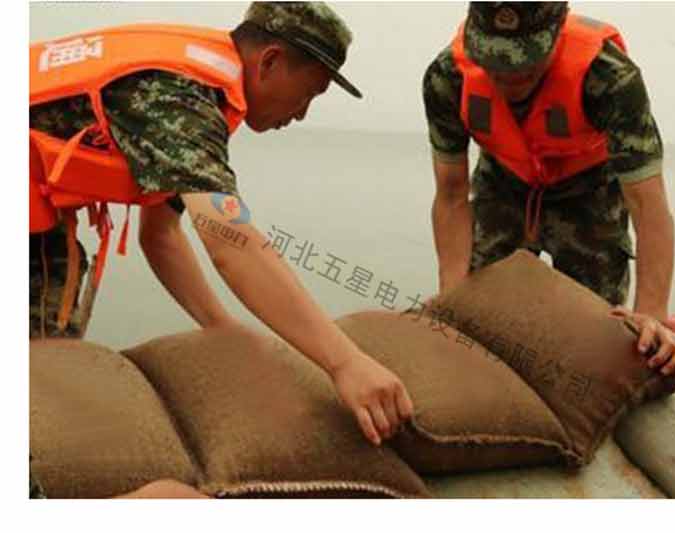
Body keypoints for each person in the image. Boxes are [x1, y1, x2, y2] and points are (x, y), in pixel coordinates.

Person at [30, 1, 413, 498]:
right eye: (309, 93)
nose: (302, 113)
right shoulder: (178, 95)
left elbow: (161, 236)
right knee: (46, 381)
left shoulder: (185, 88)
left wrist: (223, 329)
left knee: (47, 363)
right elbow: (232, 240)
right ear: (270, 61)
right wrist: (345, 363)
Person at [422, 1, 675, 375]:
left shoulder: (609, 78)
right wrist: (452, 298)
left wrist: (651, 315)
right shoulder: (447, 78)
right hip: (504, 183)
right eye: (495, 62)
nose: (509, 76)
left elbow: (649, 208)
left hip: (590, 192)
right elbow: (452, 195)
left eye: (525, 64)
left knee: (600, 339)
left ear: (557, 33)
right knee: (477, 321)